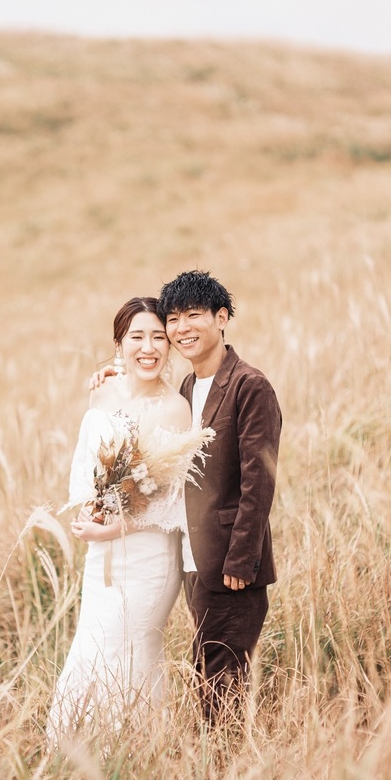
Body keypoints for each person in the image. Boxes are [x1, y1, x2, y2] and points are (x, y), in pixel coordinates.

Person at [92, 272, 282, 723]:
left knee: (220, 682)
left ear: (222, 318)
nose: (181, 328)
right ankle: (219, 765)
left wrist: (242, 562)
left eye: (193, 315)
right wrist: (114, 371)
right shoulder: (187, 387)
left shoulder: (249, 386)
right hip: (192, 562)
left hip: (231, 567)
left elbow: (260, 480)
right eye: (173, 318)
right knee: (208, 672)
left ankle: (224, 771)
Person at [47, 297, 198, 745]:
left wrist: (112, 528)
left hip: (148, 558)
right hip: (101, 555)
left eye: (158, 337)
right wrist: (92, 510)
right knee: (91, 645)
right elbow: (92, 464)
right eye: (137, 337)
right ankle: (76, 750)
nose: (148, 347)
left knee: (128, 648)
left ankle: (134, 747)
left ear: (169, 347)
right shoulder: (103, 390)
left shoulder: (175, 410)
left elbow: (171, 504)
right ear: (120, 344)